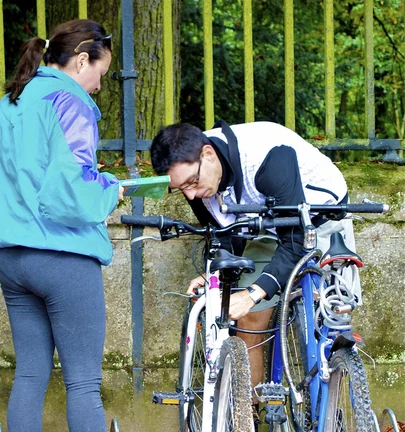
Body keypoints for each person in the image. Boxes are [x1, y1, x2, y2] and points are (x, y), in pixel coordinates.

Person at [0, 19, 161, 432]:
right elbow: (68, 188)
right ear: (83, 59)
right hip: (62, 257)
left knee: (31, 375)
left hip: (12, 258)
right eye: (101, 70)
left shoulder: (9, 102)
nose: (102, 83)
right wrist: (111, 191)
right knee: (83, 382)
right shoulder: (71, 101)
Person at [150, 121, 359, 388]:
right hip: (267, 223)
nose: (191, 194)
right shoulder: (196, 173)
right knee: (247, 320)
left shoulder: (267, 157)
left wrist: (253, 294)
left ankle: (334, 417)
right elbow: (224, 232)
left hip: (321, 217)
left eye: (192, 182)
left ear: (208, 154)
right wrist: (213, 272)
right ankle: (248, 422)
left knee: (329, 322)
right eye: (181, 189)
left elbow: (296, 243)